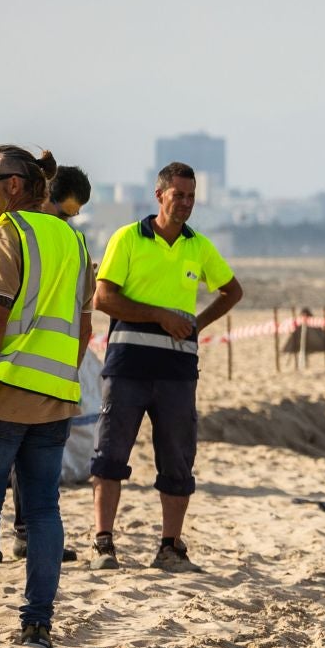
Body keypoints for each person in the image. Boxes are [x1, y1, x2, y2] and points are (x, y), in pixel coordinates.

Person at [0, 145, 90, 648]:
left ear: (12, 185)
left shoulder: (8, 233)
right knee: (44, 508)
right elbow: (85, 323)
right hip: (55, 395)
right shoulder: (73, 240)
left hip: (5, 395)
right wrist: (62, 373)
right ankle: (37, 625)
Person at [87, 161, 242, 573]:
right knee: (110, 455)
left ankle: (170, 546)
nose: (186, 204)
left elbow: (232, 290)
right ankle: (104, 544)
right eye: (179, 196)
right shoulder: (127, 238)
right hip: (127, 366)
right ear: (159, 196)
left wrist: (196, 325)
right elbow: (103, 299)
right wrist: (160, 315)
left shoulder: (199, 245)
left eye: (192, 197)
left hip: (177, 371)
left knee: (177, 457)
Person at [8, 160, 92, 564]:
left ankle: (28, 538)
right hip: (16, 376)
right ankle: (21, 539)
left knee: (35, 480)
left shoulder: (64, 240)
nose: (69, 222)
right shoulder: (13, 232)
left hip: (42, 377)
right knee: (1, 479)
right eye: (66, 212)